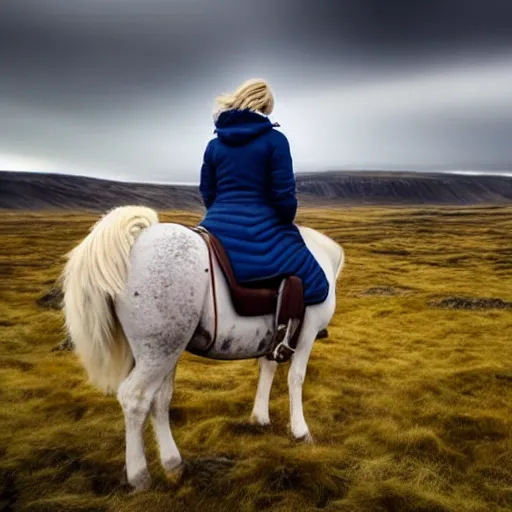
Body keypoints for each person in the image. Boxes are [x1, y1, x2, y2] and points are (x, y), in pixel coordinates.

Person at [199, 78, 329, 356]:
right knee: (314, 279)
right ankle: (285, 339)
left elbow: (207, 191)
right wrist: (285, 218)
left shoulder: (214, 145)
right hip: (264, 224)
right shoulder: (275, 141)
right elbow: (284, 196)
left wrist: (221, 213)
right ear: (264, 105)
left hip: (215, 224)